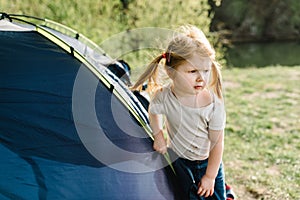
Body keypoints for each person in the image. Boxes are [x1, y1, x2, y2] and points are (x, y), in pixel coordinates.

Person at [131, 25, 227, 200]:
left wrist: (210, 176)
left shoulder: (213, 104)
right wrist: (158, 134)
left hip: (208, 162)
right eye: (192, 72)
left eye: (206, 71)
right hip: (180, 160)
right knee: (186, 195)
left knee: (215, 197)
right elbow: (154, 112)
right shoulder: (163, 96)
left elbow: (217, 143)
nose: (201, 78)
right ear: (171, 71)